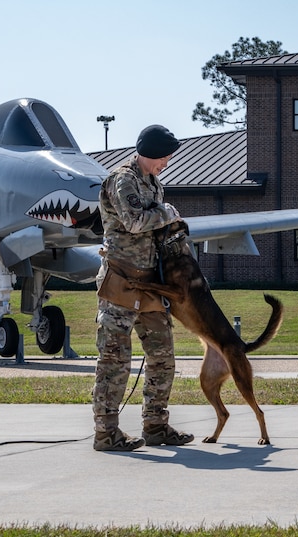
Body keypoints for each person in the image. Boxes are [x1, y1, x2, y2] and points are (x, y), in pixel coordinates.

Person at [91, 124, 194, 451]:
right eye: (164, 157)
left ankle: (155, 425)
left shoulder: (153, 184)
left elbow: (155, 229)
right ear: (150, 153)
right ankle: (106, 433)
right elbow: (135, 221)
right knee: (114, 359)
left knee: (163, 355)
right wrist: (167, 213)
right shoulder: (123, 181)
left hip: (150, 282)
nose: (166, 162)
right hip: (120, 281)